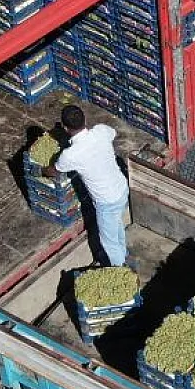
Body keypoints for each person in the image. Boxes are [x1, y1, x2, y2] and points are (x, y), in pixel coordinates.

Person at [43, 105, 131, 268]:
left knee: (109, 242)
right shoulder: (101, 131)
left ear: (65, 128)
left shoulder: (70, 155)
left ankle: (123, 270)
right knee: (116, 225)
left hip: (106, 201)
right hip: (121, 188)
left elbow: (54, 171)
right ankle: (125, 254)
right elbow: (113, 133)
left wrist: (44, 169)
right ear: (86, 119)